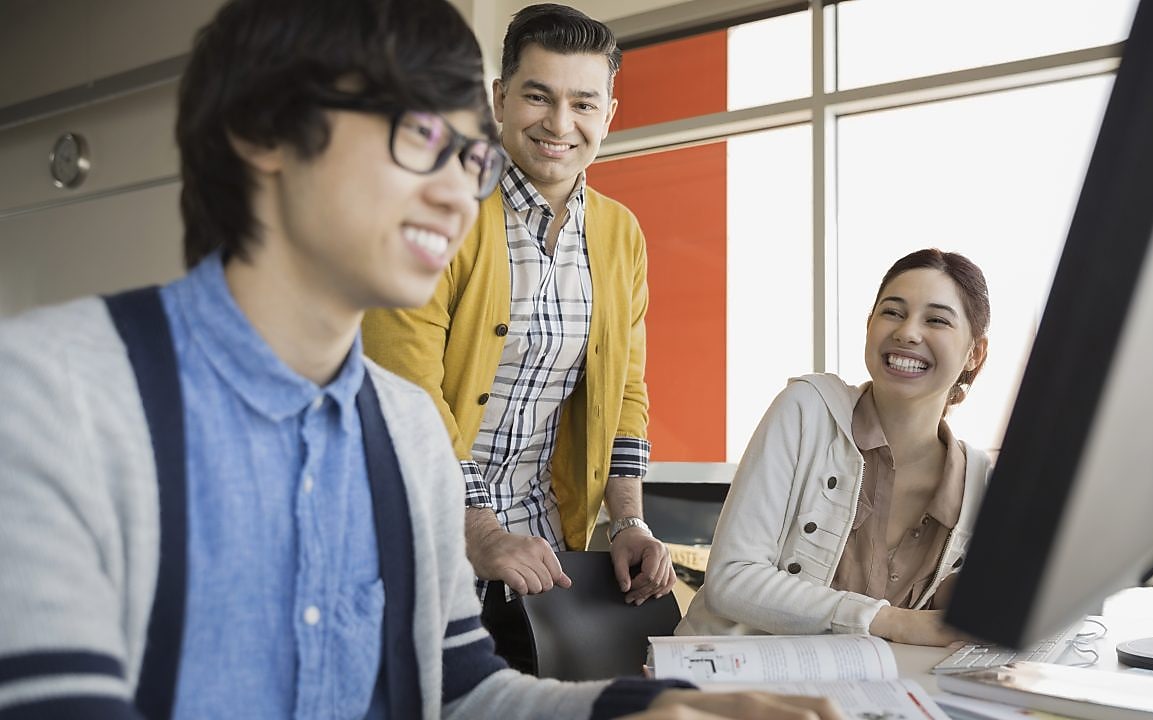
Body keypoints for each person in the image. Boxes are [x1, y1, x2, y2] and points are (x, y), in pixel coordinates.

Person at [0, 1, 840, 718]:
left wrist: (643, 707)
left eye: (470, 154)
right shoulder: (52, 398)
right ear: (266, 134)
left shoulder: (400, 426)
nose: (456, 189)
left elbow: (461, 688)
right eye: (416, 138)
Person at [362, 4, 675, 673]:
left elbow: (624, 392)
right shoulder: (431, 207)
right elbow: (401, 390)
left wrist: (627, 522)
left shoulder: (621, 235)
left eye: (583, 103)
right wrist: (477, 529)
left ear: (609, 114)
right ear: (499, 98)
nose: (560, 125)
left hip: (543, 560)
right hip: (424, 540)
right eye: (538, 96)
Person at [677, 249, 994, 647]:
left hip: (861, 694)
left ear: (974, 353)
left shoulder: (978, 482)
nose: (907, 332)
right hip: (728, 672)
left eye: (936, 320)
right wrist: (890, 621)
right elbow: (732, 578)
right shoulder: (806, 409)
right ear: (869, 325)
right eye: (892, 312)